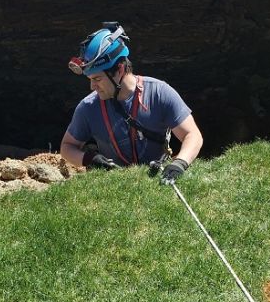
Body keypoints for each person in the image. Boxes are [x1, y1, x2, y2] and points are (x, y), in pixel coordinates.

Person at [60, 23, 203, 184]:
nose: (92, 87)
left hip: (157, 179)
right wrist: (89, 159)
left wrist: (179, 163)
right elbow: (67, 147)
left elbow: (193, 135)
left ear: (120, 70)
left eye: (97, 79)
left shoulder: (159, 93)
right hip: (116, 187)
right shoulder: (88, 107)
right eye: (90, 80)